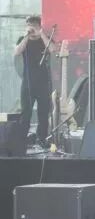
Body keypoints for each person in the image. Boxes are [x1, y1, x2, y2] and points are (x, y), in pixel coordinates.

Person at [13, 15, 58, 147]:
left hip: (43, 82)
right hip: (27, 83)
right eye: (29, 25)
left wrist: (41, 34)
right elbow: (17, 52)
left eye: (33, 25)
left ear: (39, 26)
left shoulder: (46, 39)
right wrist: (27, 36)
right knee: (25, 113)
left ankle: (41, 139)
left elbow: (53, 49)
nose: (31, 28)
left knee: (43, 112)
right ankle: (21, 140)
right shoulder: (23, 39)